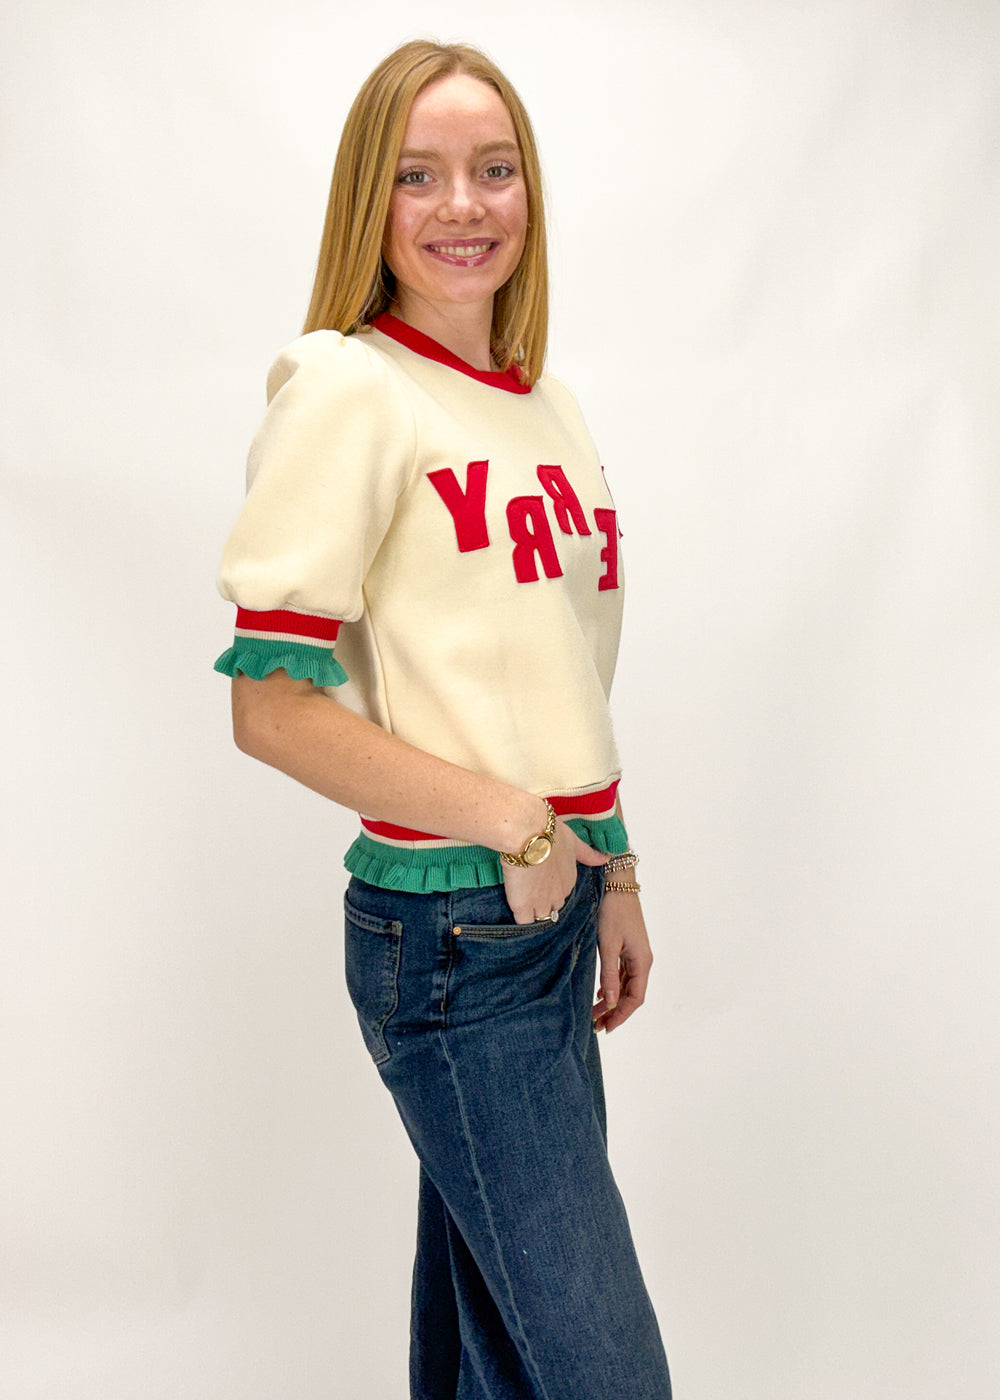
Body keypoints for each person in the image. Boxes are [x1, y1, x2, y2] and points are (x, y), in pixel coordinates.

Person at [214, 38, 671, 1400]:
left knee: (497, 1365)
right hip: (454, 936)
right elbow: (269, 708)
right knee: (602, 1374)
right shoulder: (348, 389)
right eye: (417, 176)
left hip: (548, 911)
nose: (462, 205)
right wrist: (512, 823)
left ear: (530, 193)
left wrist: (613, 869)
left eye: (493, 169)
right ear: (371, 200)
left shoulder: (547, 407)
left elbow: (559, 676)